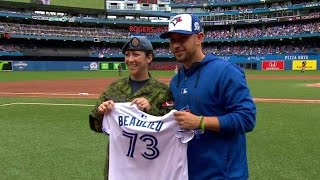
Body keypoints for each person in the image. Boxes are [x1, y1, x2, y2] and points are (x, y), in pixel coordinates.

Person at [160, 14, 257, 180]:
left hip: (224, 174)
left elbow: (247, 118)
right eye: (172, 40)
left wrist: (201, 122)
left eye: (182, 38)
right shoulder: (176, 81)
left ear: (199, 38)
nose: (176, 45)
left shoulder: (225, 72)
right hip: (188, 172)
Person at [89, 36, 173, 180]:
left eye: (136, 54)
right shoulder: (114, 88)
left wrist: (150, 110)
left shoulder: (162, 91)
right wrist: (101, 112)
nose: (130, 59)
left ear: (149, 58)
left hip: (149, 168)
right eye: (127, 55)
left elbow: (170, 130)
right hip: (117, 168)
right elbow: (96, 126)